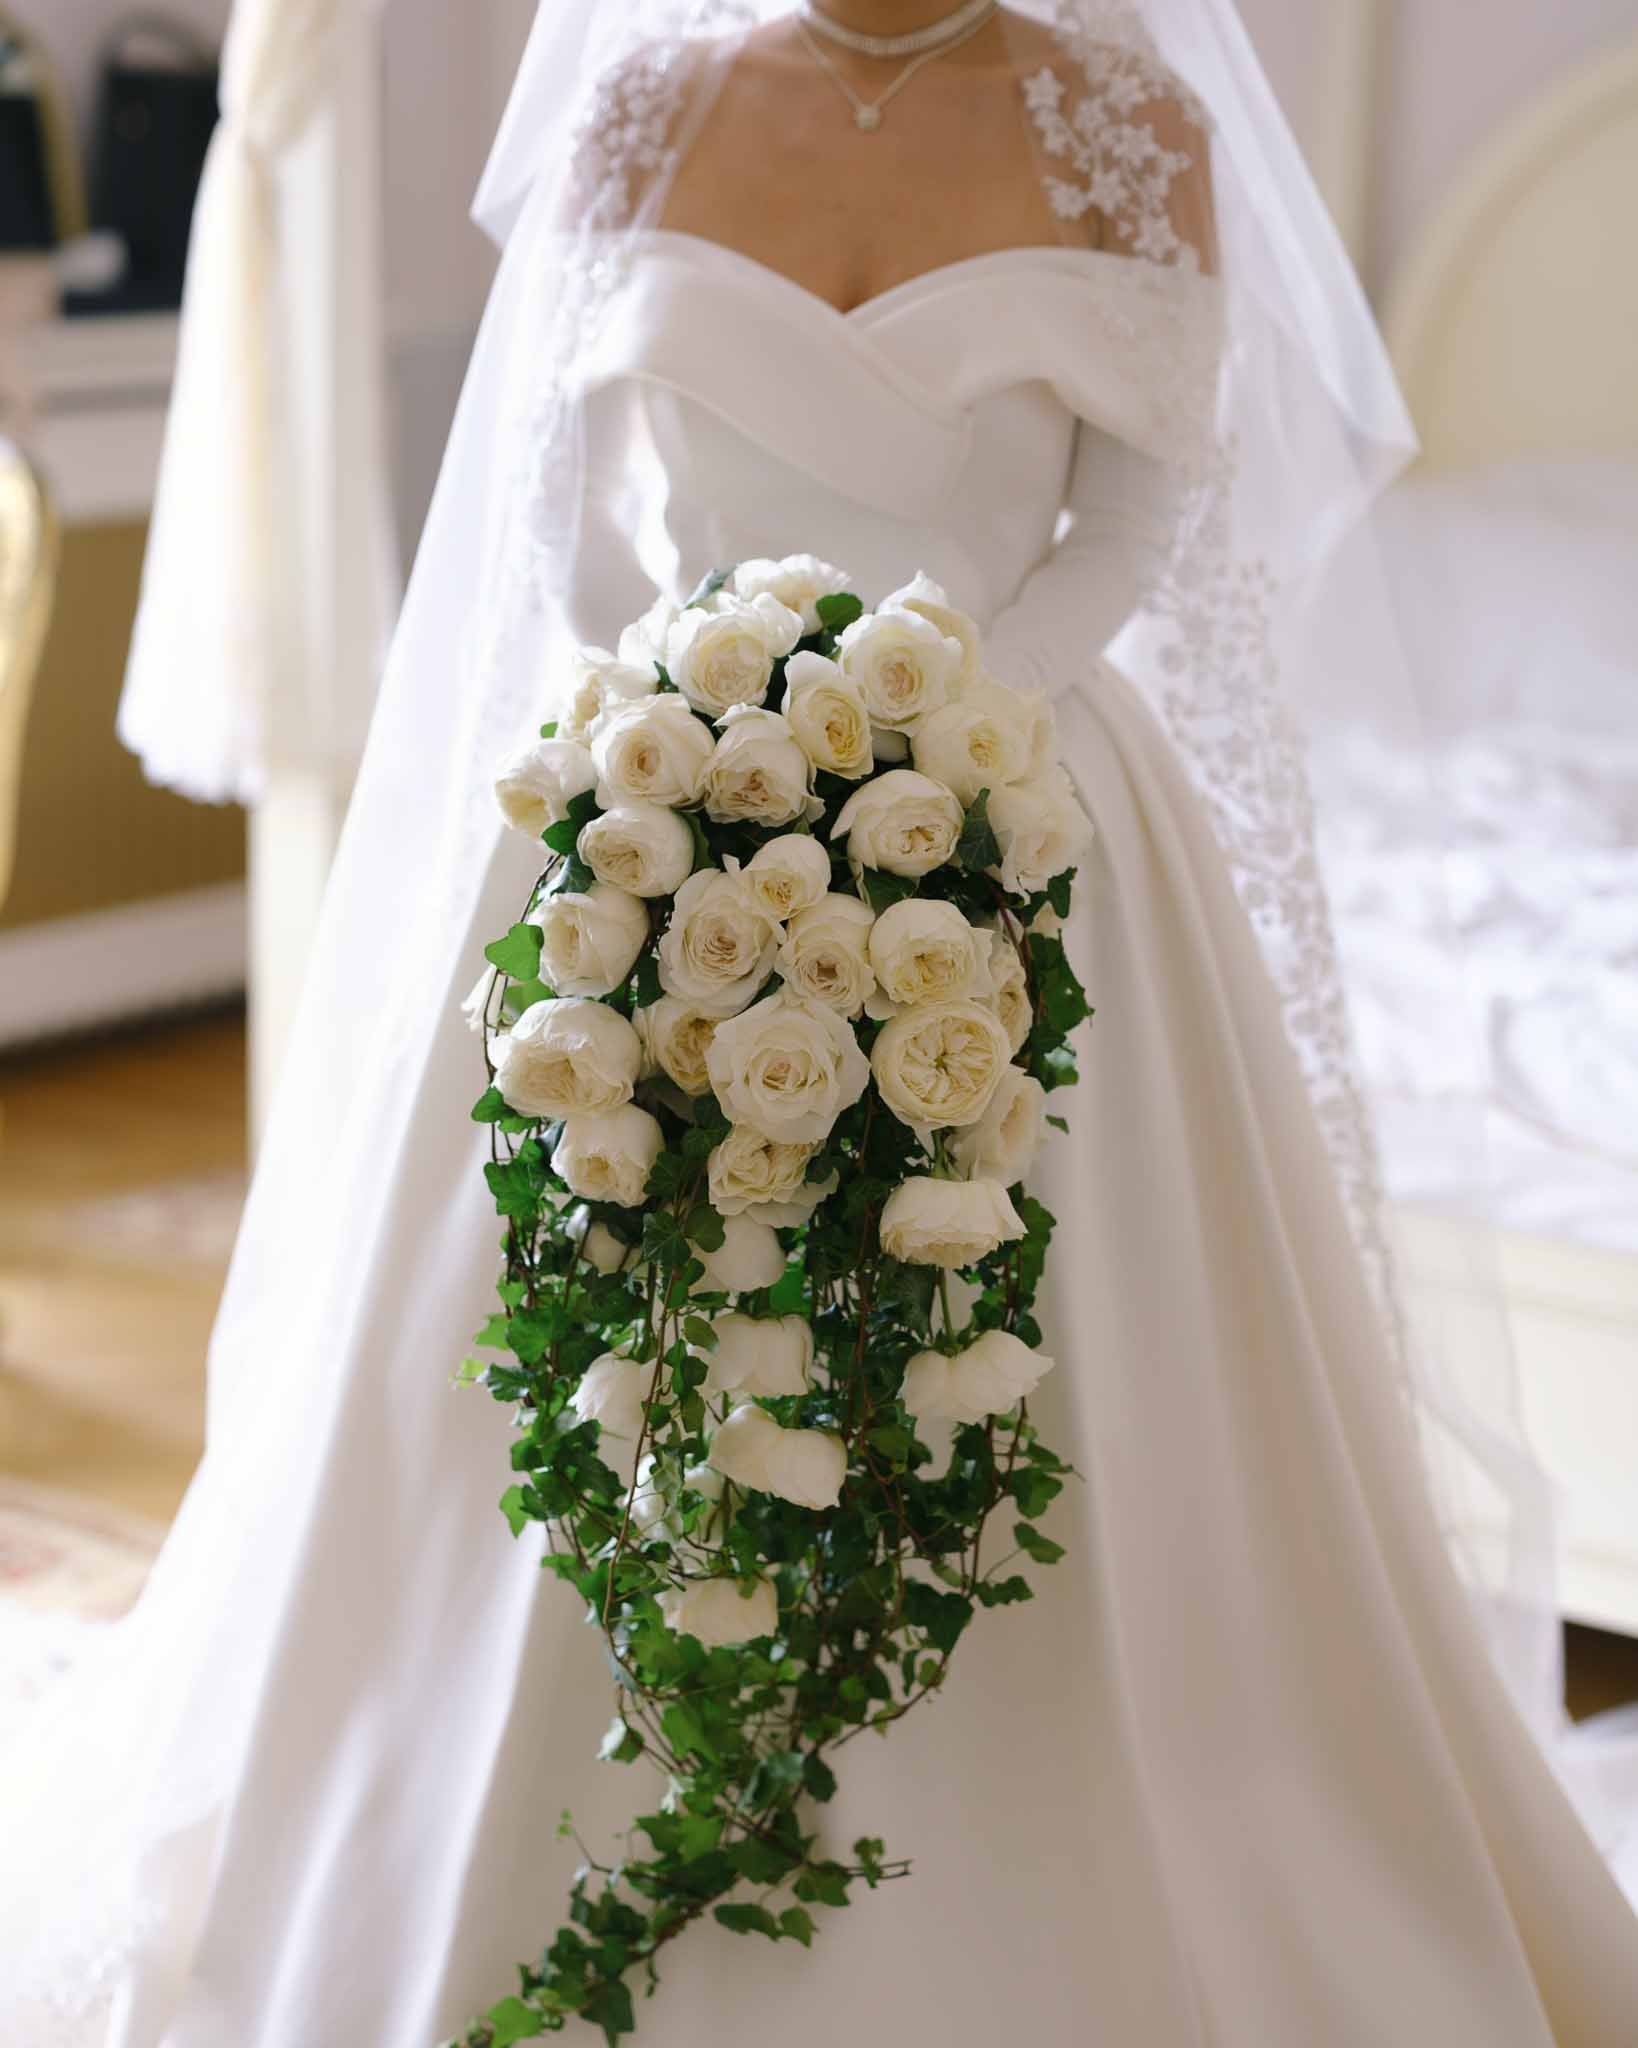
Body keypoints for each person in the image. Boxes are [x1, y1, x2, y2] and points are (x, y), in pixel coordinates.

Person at [5, 4, 1637, 2043]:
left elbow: (1136, 518)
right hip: (655, 812)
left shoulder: (1122, 122)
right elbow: (569, 513)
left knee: (1058, 1364)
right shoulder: (640, 101)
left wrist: (941, 726)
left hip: (1023, 808)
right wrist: (693, 735)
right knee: (553, 1355)